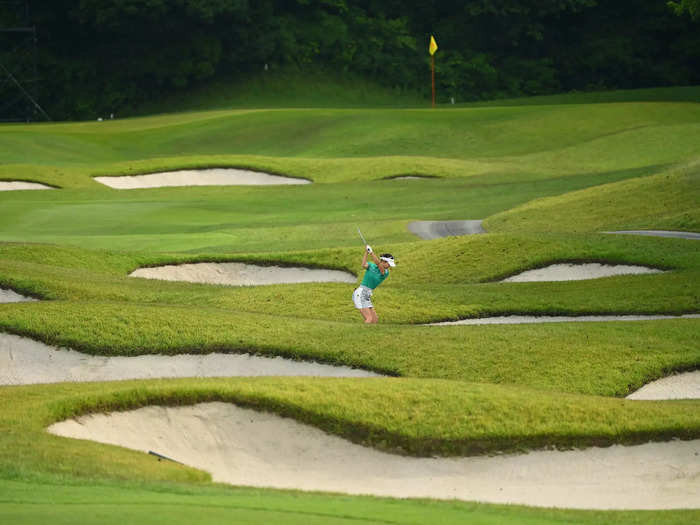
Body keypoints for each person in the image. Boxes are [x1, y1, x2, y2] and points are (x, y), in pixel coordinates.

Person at [352, 245, 396, 324]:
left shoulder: (385, 272)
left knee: (375, 319)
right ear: (384, 261)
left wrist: (371, 253)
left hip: (367, 295)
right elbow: (363, 264)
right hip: (361, 293)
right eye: (388, 264)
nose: (389, 266)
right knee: (369, 318)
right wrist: (366, 252)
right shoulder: (371, 266)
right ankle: (362, 335)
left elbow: (379, 265)